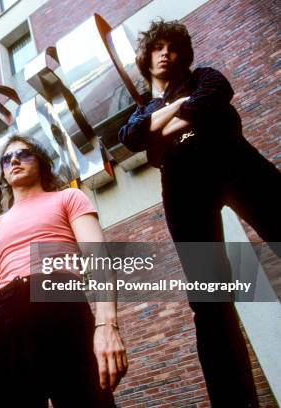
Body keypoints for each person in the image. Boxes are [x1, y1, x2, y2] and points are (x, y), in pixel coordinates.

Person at [119, 19, 281, 407]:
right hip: (182, 186)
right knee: (209, 300)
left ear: (182, 54)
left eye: (172, 47)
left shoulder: (204, 76)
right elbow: (131, 138)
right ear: (145, 57)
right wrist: (177, 111)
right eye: (157, 47)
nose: (165, 53)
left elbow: (215, 95)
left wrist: (166, 121)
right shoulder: (140, 110)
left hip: (233, 160)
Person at [0, 135, 127, 407]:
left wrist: (107, 325)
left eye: (24, 154)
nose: (14, 160)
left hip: (63, 308)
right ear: (3, 171)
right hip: (6, 320)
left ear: (40, 161)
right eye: (7, 158)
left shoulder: (69, 198)